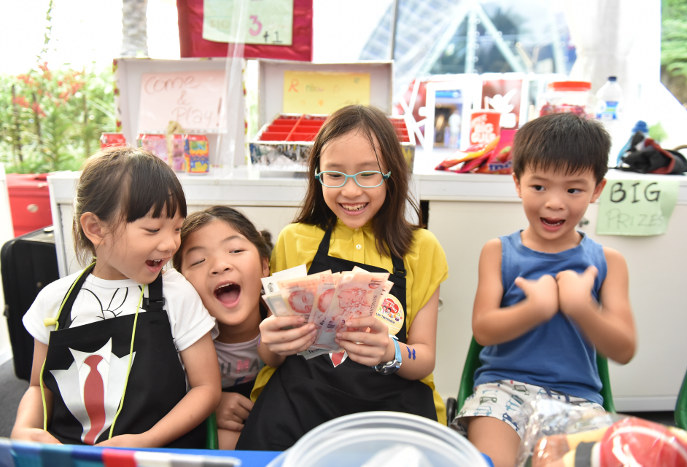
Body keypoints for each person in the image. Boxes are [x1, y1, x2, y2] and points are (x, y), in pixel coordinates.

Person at [236, 104, 449, 451]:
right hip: (302, 399)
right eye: (334, 175)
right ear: (317, 175)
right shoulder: (295, 239)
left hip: (391, 406)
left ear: (391, 174)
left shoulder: (422, 248)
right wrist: (270, 343)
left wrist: (390, 351)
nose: (350, 191)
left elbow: (423, 358)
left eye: (368, 174)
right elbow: (272, 355)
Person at [453, 112, 637, 467]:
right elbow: (483, 329)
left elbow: (624, 348)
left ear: (597, 189)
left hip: (579, 400)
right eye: (539, 187)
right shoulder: (498, 252)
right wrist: (534, 309)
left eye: (573, 189)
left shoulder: (608, 262)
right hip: (501, 390)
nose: (555, 202)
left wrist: (582, 308)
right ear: (518, 183)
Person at [11, 147, 221, 448]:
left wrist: (146, 440)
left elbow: (207, 388)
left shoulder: (177, 293)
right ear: (96, 228)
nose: (171, 243)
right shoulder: (54, 301)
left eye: (177, 228)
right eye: (152, 229)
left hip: (156, 454)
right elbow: (38, 385)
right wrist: (25, 427)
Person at [173, 206, 273, 449]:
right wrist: (209, 407)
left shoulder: (283, 317)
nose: (219, 265)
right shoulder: (178, 341)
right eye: (198, 261)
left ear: (264, 265)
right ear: (180, 284)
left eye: (236, 250)